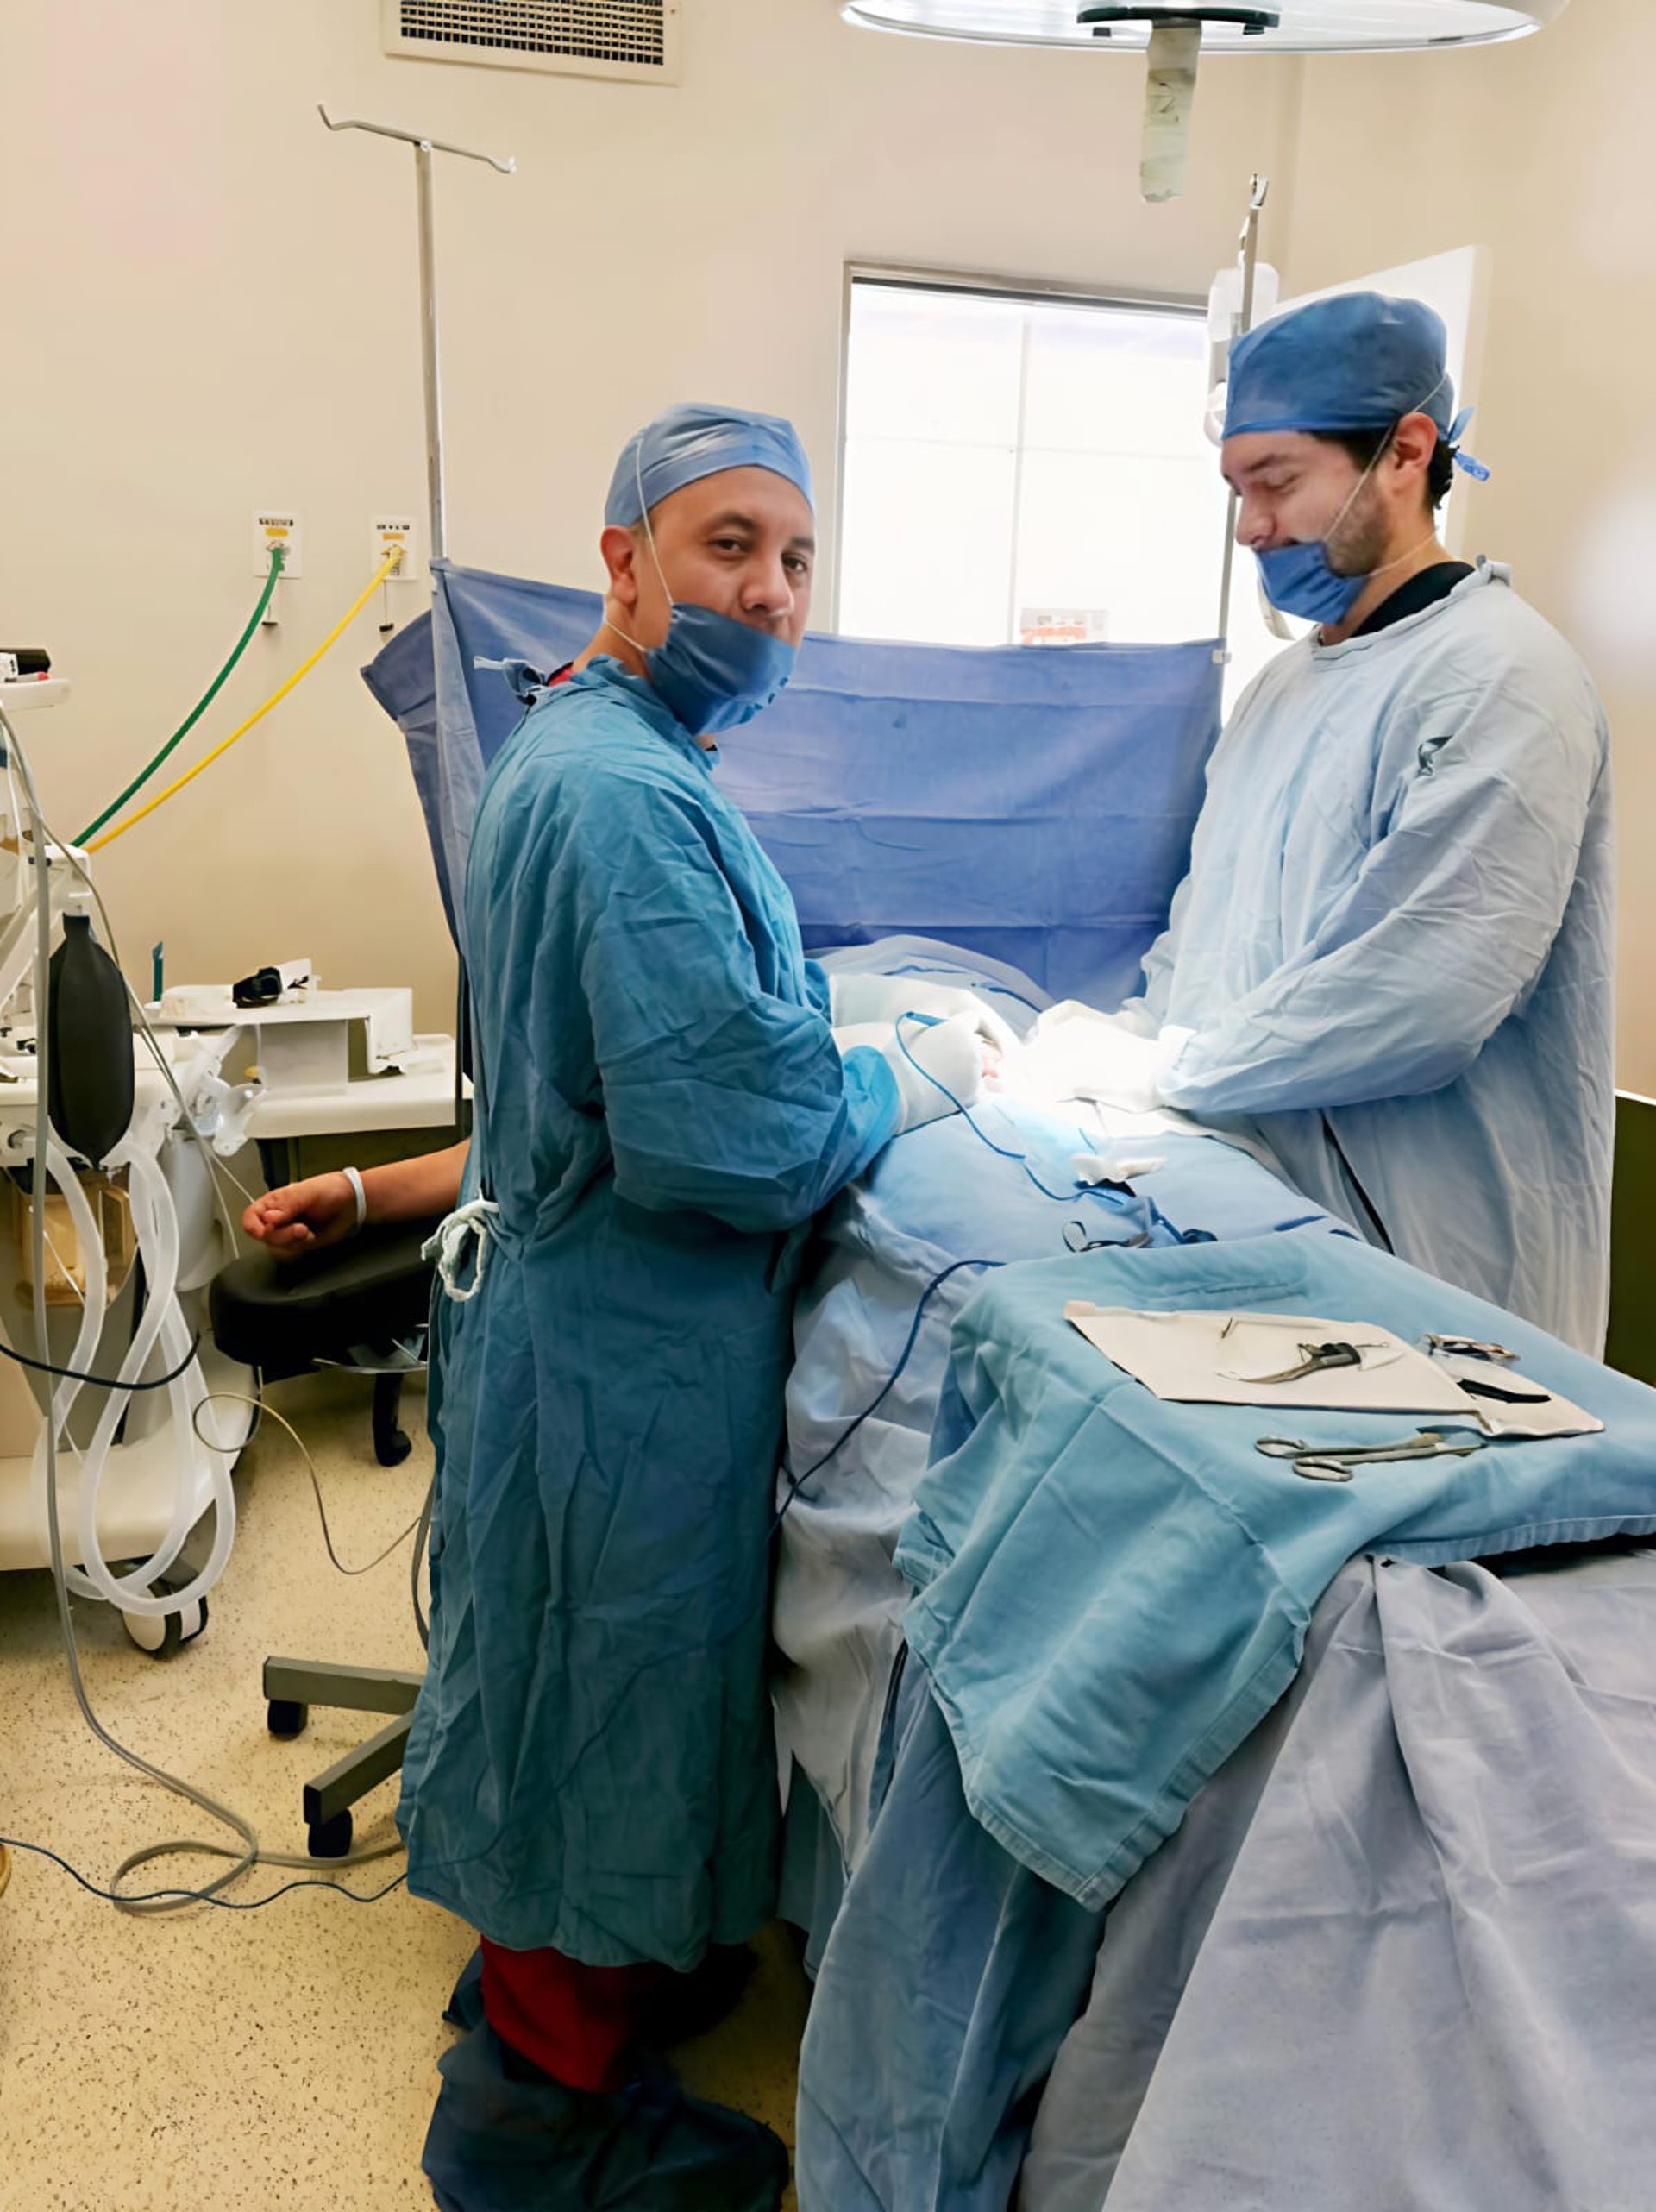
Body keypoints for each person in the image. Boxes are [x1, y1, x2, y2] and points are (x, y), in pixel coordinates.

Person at [244, 403, 995, 2208]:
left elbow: (569, 1073)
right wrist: (912, 1073)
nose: (773, 589)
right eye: (730, 543)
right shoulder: (624, 797)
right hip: (628, 1354)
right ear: (626, 558)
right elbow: (737, 1133)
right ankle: (541, 2117)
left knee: (577, 1677)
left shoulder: (580, 757)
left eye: (799, 558)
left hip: (574, 1320)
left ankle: (604, 1975)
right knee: (606, 1693)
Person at [1082, 292, 1615, 1354]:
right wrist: (1119, 1058)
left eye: (1276, 482)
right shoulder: (1280, 691)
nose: (1251, 526)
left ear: (1407, 451)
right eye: (1238, 490)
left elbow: (1421, 994)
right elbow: (1208, 935)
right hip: (1259, 1223)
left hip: (1442, 1267)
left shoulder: (1503, 680)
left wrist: (1166, 1072)